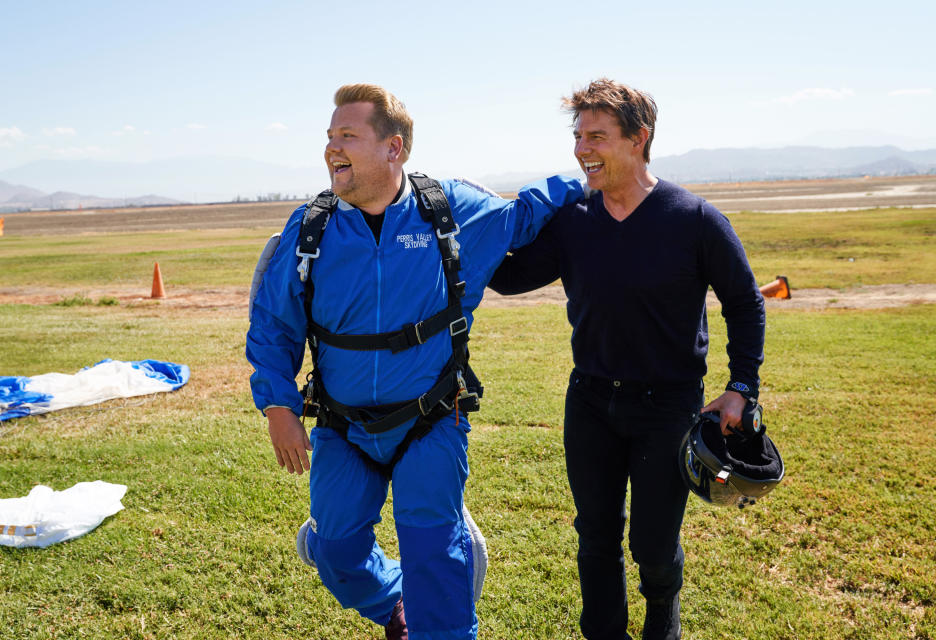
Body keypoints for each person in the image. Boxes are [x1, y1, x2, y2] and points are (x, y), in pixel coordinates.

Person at [246, 83, 583, 640]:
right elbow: (272, 325)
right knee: (335, 552)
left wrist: (589, 176)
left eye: (347, 136)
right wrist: (279, 406)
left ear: (393, 148)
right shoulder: (310, 229)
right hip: (343, 425)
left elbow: (526, 214)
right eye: (329, 137)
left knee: (435, 552)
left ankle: (438, 610)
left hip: (431, 419)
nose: (332, 148)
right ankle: (396, 604)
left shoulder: (449, 212)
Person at [488, 79, 766, 640]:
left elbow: (744, 301)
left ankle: (662, 611)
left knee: (654, 540)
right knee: (595, 531)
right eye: (577, 136)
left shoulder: (693, 218)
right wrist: (464, 233)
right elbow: (512, 277)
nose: (581, 149)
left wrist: (741, 385)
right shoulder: (575, 220)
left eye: (597, 136)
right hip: (590, 398)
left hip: (668, 404)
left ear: (638, 139)